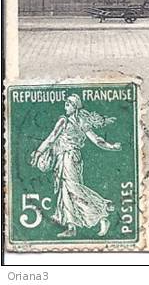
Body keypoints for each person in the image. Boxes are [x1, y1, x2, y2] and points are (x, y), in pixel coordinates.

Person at [29, 94, 122, 238]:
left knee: (72, 189)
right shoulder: (82, 122)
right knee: (67, 191)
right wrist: (111, 146)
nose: (65, 107)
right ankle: (71, 227)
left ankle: (101, 213)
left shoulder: (64, 121)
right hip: (74, 158)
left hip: (67, 158)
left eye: (67, 104)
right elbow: (97, 140)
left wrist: (38, 152)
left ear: (74, 106)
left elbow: (51, 138)